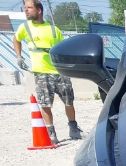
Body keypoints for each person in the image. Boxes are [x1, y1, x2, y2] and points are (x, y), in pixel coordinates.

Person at [13, 0, 82, 144]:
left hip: (60, 71)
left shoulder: (54, 29)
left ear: (39, 10)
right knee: (45, 104)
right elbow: (16, 39)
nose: (26, 10)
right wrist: (19, 56)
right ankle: (51, 133)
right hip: (41, 72)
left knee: (69, 101)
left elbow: (63, 48)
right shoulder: (25, 27)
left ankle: (73, 127)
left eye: (29, 8)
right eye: (25, 8)